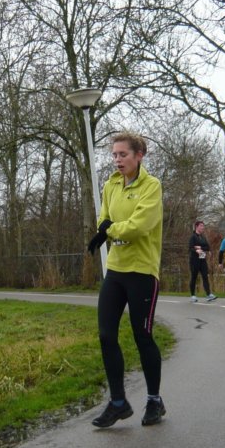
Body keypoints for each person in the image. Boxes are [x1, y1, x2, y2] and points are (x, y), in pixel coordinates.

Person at [86, 132, 165, 428]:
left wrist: (110, 230)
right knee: (106, 335)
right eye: (114, 155)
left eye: (123, 155)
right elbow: (101, 219)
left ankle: (154, 400)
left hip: (142, 271)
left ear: (139, 155)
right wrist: (106, 228)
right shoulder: (110, 185)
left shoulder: (151, 186)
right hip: (116, 271)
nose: (117, 160)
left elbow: (139, 226)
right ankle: (118, 402)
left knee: (142, 336)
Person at [188, 220, 217, 302]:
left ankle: (208, 294)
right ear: (196, 227)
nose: (203, 227)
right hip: (194, 260)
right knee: (194, 277)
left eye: (203, 226)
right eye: (201, 226)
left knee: (205, 276)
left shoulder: (203, 237)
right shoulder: (193, 237)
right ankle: (193, 295)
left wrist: (200, 248)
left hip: (202, 259)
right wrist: (196, 250)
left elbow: (207, 247)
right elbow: (190, 248)